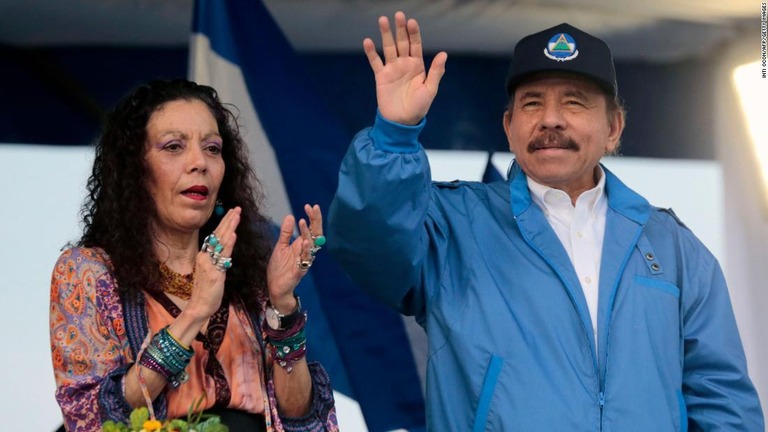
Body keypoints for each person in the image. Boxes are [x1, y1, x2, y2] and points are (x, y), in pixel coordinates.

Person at [327, 11, 764, 431]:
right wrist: (395, 135)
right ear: (509, 125)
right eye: (532, 103)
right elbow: (369, 249)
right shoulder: (452, 226)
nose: (550, 120)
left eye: (573, 103)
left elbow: (722, 400)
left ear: (614, 128)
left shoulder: (673, 248)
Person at [50, 79, 338, 431]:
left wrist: (282, 305)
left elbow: (301, 418)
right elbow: (92, 417)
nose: (199, 162)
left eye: (213, 148)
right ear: (134, 171)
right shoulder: (88, 272)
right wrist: (195, 312)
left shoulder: (248, 272)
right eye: (173, 147)